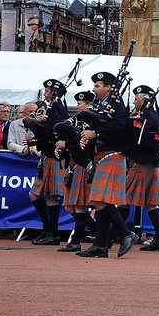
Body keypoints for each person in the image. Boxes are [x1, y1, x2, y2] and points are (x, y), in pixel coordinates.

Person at [75, 71, 140, 259]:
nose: (94, 89)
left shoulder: (118, 104)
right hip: (101, 154)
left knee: (98, 199)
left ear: (108, 87)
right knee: (103, 201)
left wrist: (95, 134)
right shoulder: (100, 105)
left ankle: (126, 234)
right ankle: (101, 245)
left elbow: (120, 125)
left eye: (97, 85)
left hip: (112, 153)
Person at [25, 80, 70, 245]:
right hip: (46, 156)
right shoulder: (51, 107)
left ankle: (53, 234)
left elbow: (54, 131)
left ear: (54, 92)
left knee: (51, 196)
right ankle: (48, 229)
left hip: (54, 156)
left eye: (48, 90)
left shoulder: (57, 108)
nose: (45, 93)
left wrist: (36, 129)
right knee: (34, 194)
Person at [125, 85, 159, 252]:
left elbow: (141, 140)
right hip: (150, 164)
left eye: (136, 99)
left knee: (123, 201)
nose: (135, 102)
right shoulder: (151, 116)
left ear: (143, 100)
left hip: (142, 164)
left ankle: (113, 236)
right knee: (151, 204)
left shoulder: (148, 117)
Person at [54, 91, 96, 252]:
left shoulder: (92, 120)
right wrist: (61, 150)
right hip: (72, 165)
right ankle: (98, 232)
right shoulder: (75, 120)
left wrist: (67, 144)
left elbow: (81, 141)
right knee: (70, 207)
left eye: (80, 103)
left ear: (89, 105)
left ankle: (76, 242)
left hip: (83, 164)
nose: (77, 106)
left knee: (79, 206)